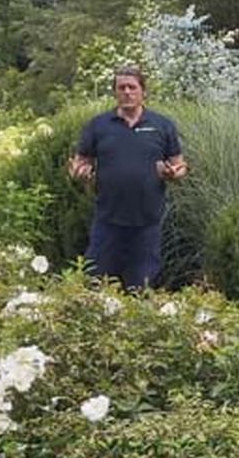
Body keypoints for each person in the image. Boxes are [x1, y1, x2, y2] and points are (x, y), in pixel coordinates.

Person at [67, 66, 188, 290]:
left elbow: (180, 166)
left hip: (147, 223)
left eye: (132, 87)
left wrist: (174, 173)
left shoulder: (162, 126)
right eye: (121, 88)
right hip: (108, 220)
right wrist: (79, 173)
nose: (127, 92)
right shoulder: (98, 125)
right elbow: (81, 162)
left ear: (143, 92)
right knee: (94, 285)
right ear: (115, 92)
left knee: (140, 289)